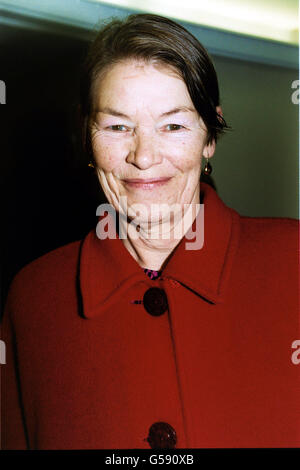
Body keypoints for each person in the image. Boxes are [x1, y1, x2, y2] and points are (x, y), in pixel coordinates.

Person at [1, 13, 299, 450]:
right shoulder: (34, 298)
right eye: (118, 126)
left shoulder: (293, 262)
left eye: (173, 125)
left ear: (209, 135)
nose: (144, 156)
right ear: (88, 135)